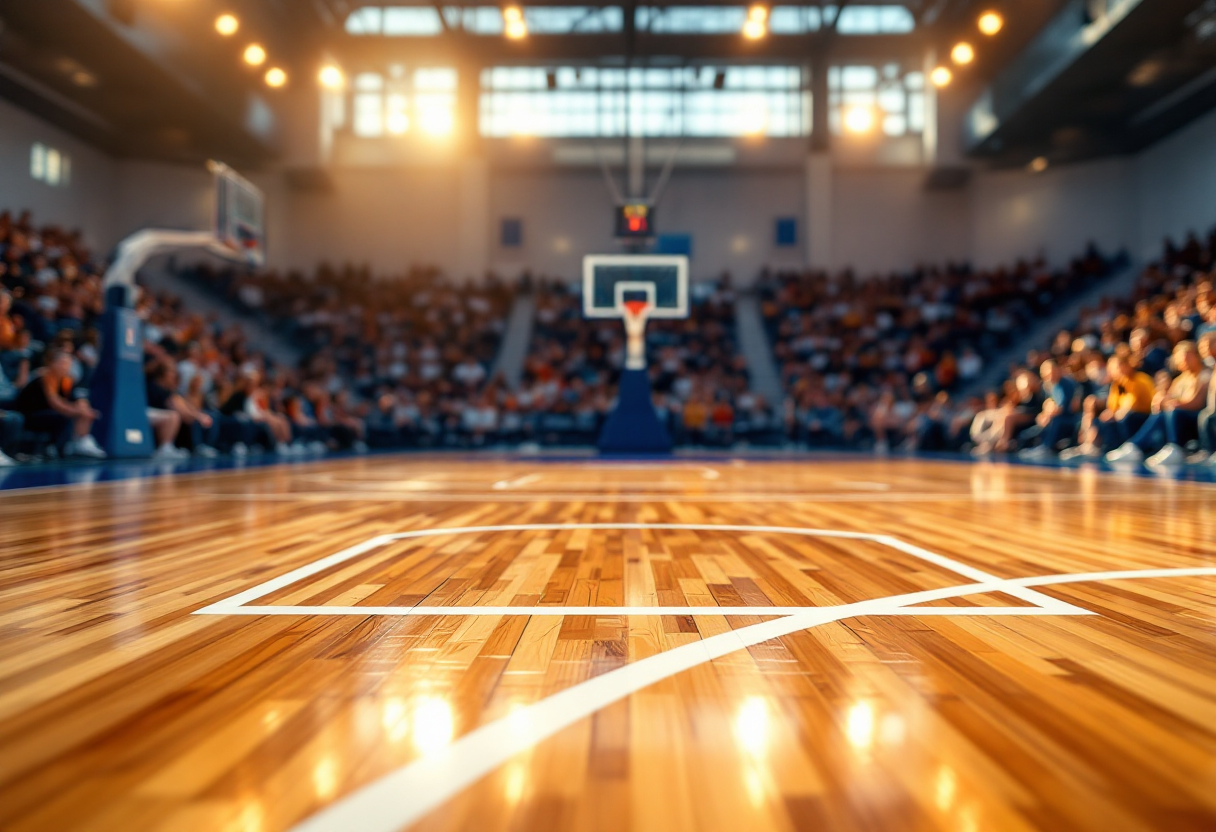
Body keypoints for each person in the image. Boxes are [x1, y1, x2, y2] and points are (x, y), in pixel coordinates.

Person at [12, 348, 106, 458]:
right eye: (62, 363)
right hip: (29, 415)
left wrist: (83, 408)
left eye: (68, 364)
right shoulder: (45, 376)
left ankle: (81, 442)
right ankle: (56, 448)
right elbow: (55, 403)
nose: (65, 367)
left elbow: (75, 399)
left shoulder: (66, 381)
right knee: (63, 417)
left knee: (82, 410)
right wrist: (77, 411)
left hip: (47, 413)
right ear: (53, 363)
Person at [1095, 355, 1156, 461]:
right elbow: (1112, 407)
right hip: (1124, 414)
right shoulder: (1118, 384)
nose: (1116, 371)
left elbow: (1133, 405)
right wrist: (1111, 413)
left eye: (1118, 367)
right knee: (1105, 419)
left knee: (1127, 417)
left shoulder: (1139, 379)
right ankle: (1113, 448)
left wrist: (1117, 412)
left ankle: (1133, 448)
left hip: (1144, 416)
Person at [1018, 359, 1080, 461]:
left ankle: (1047, 447)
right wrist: (1044, 414)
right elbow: (1050, 404)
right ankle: (1039, 446)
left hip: (1070, 420)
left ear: (1057, 370)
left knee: (1053, 420)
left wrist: (1047, 415)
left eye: (1050, 372)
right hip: (1057, 419)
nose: (1048, 376)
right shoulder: (1053, 386)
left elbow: (1061, 408)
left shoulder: (1065, 384)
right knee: (1029, 432)